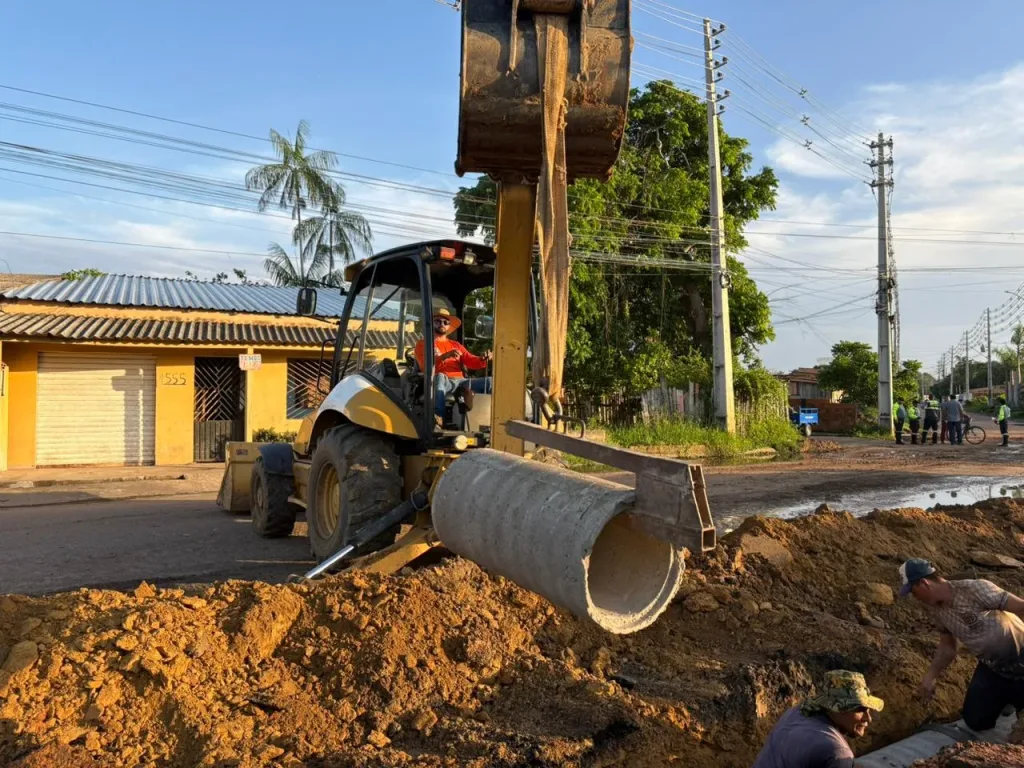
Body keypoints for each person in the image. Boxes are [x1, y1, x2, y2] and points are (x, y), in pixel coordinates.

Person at [900, 558, 1024, 732]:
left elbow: (1020, 607)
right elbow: (948, 648)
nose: (916, 598)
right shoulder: (938, 611)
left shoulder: (974, 589)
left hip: (1021, 659)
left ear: (923, 583)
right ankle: (1007, 700)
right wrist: (930, 677)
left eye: (913, 592)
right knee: (975, 721)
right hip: (993, 668)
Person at [752, 669, 884, 768]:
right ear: (839, 708)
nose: (868, 718)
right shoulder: (838, 753)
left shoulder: (798, 712)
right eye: (860, 710)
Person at [413, 308, 492, 422]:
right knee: (440, 376)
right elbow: (425, 367)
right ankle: (438, 418)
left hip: (461, 382)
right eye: (437, 321)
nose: (442, 324)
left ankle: (495, 420)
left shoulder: (455, 345)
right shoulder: (423, 344)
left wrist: (483, 358)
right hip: (440, 381)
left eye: (446, 322)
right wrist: (445, 356)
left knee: (490, 382)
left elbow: (471, 360)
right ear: (431, 323)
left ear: (449, 326)